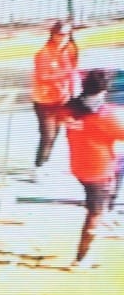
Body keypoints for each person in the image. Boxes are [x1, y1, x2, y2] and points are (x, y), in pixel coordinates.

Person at [64, 68, 124, 269]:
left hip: (78, 164)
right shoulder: (105, 117)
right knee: (94, 213)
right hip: (98, 170)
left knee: (120, 165)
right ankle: (81, 259)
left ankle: (104, 213)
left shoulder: (69, 108)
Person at [31, 21, 79, 169]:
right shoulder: (44, 53)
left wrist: (72, 91)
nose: (63, 38)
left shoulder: (70, 49)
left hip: (62, 99)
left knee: (56, 134)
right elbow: (42, 76)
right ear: (53, 35)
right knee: (47, 135)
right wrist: (64, 74)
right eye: (60, 35)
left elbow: (73, 71)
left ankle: (46, 161)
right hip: (45, 101)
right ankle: (39, 165)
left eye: (66, 35)